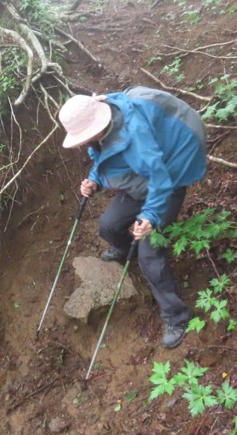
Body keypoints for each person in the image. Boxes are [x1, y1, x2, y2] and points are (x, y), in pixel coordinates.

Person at [57, 86, 207, 349]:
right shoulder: (104, 121)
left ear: (95, 126)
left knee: (150, 254)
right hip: (142, 180)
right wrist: (94, 179)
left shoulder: (136, 138)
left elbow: (160, 179)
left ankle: (177, 316)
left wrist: (149, 215)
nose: (80, 143)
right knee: (108, 226)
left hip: (167, 181)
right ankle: (128, 251)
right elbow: (107, 157)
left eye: (81, 137)